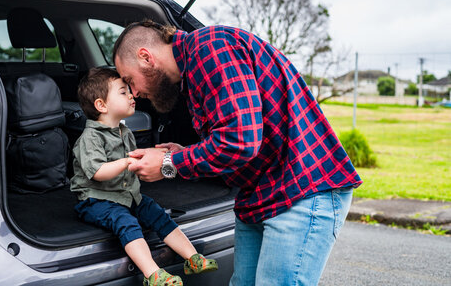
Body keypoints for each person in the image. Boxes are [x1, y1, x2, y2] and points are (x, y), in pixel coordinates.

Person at [113, 20, 363, 286]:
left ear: (145, 57)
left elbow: (240, 141)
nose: (135, 93)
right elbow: (234, 136)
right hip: (260, 195)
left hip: (300, 191)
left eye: (130, 80)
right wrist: (185, 152)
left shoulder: (211, 47)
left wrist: (168, 163)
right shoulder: (197, 66)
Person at [70, 67, 218, 286]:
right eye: (123, 92)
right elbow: (98, 172)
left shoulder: (124, 131)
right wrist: (129, 162)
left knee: (157, 213)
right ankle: (153, 274)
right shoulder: (89, 138)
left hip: (127, 194)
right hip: (97, 200)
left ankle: (193, 257)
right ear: (101, 105)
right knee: (126, 222)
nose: (132, 95)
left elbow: (135, 161)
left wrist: (160, 158)